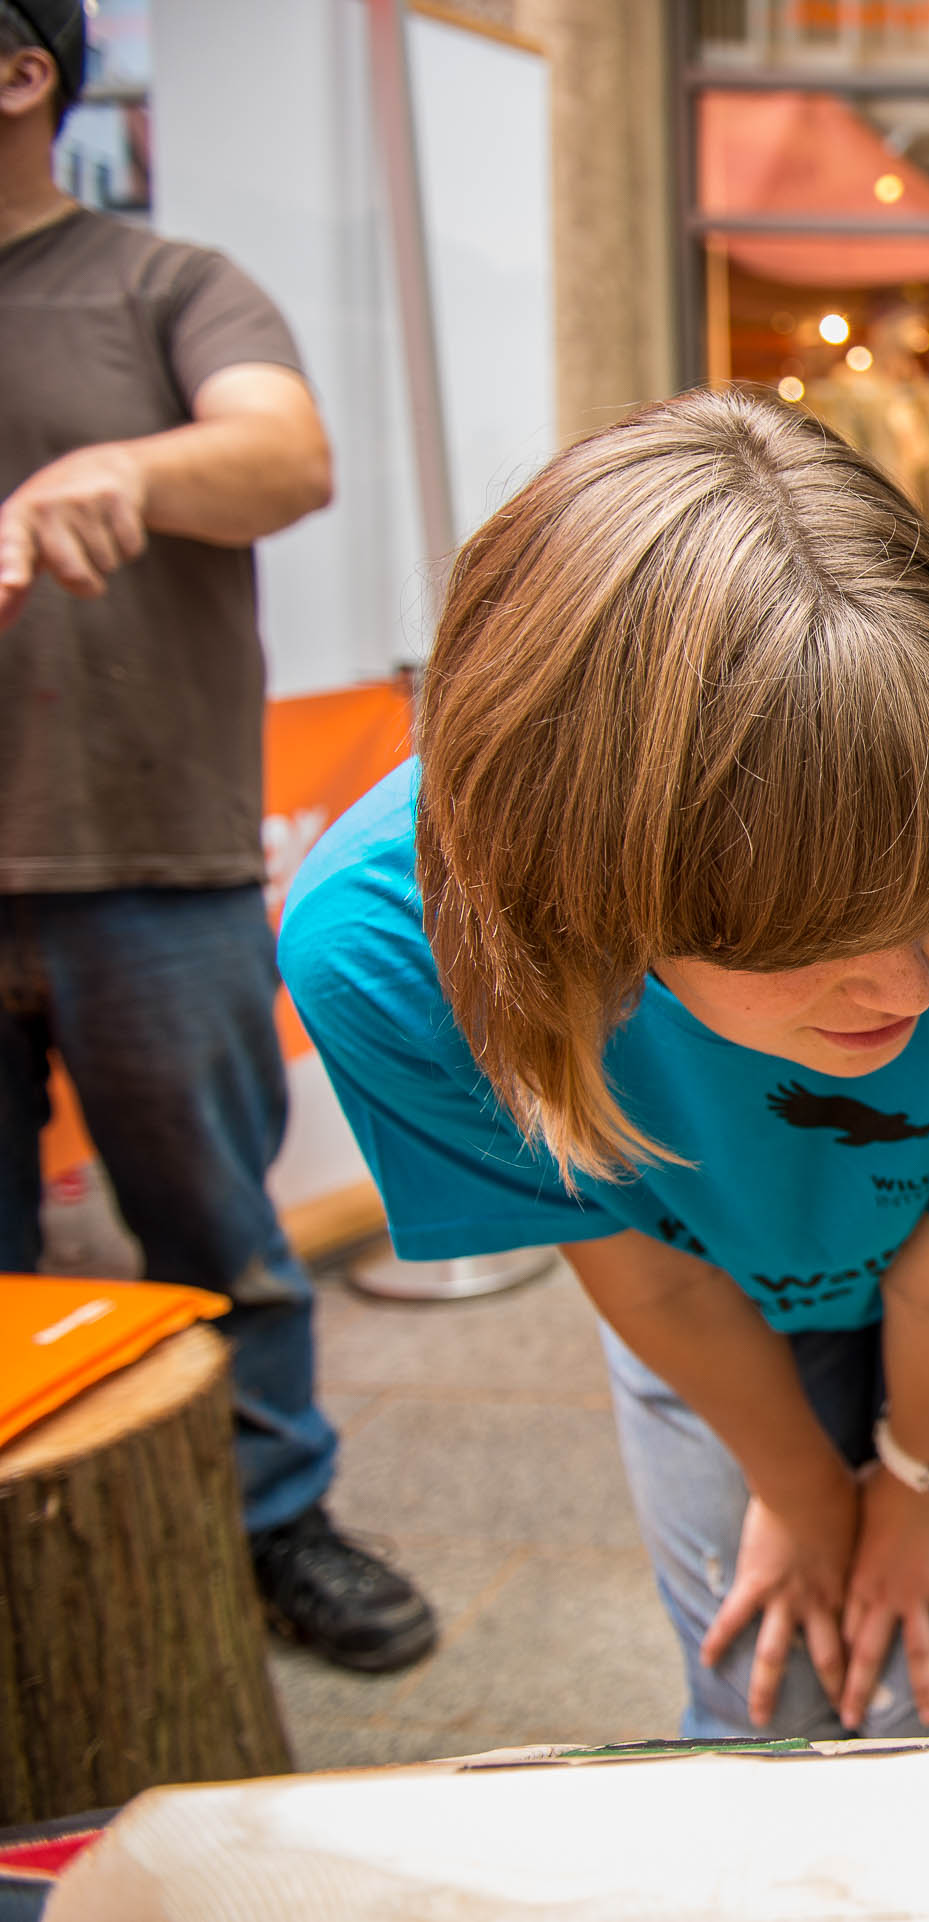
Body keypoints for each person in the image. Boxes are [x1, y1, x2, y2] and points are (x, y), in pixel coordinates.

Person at [279, 390, 929, 1737]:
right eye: (812, 943)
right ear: (588, 890)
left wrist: (918, 1481)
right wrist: (801, 1491)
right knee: (755, 1694)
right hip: (692, 1253)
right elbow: (640, 1266)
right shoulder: (389, 948)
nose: (904, 987)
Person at [0, 0, 440, 1671]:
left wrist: (121, 461)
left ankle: (277, 1526)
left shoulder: (163, 284)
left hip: (147, 855)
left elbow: (282, 452)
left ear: (26, 71)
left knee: (220, 1238)